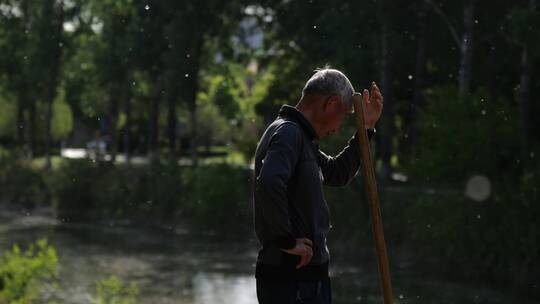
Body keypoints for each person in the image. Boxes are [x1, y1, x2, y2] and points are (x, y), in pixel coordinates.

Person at [253, 68, 384, 304]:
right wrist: (286, 240)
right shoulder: (288, 134)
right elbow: (270, 182)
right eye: (343, 115)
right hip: (293, 280)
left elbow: (337, 173)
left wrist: (366, 129)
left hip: (304, 280)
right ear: (330, 103)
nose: (336, 128)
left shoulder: (302, 138)